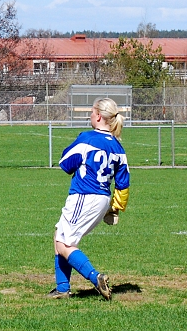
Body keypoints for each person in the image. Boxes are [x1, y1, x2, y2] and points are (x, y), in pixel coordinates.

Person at [47, 97, 130, 301]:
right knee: (59, 235)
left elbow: (65, 163)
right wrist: (115, 208)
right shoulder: (118, 147)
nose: (90, 115)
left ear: (99, 116)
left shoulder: (88, 139)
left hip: (84, 195)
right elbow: (123, 183)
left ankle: (96, 277)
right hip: (103, 197)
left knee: (64, 244)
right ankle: (62, 288)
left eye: (92, 112)